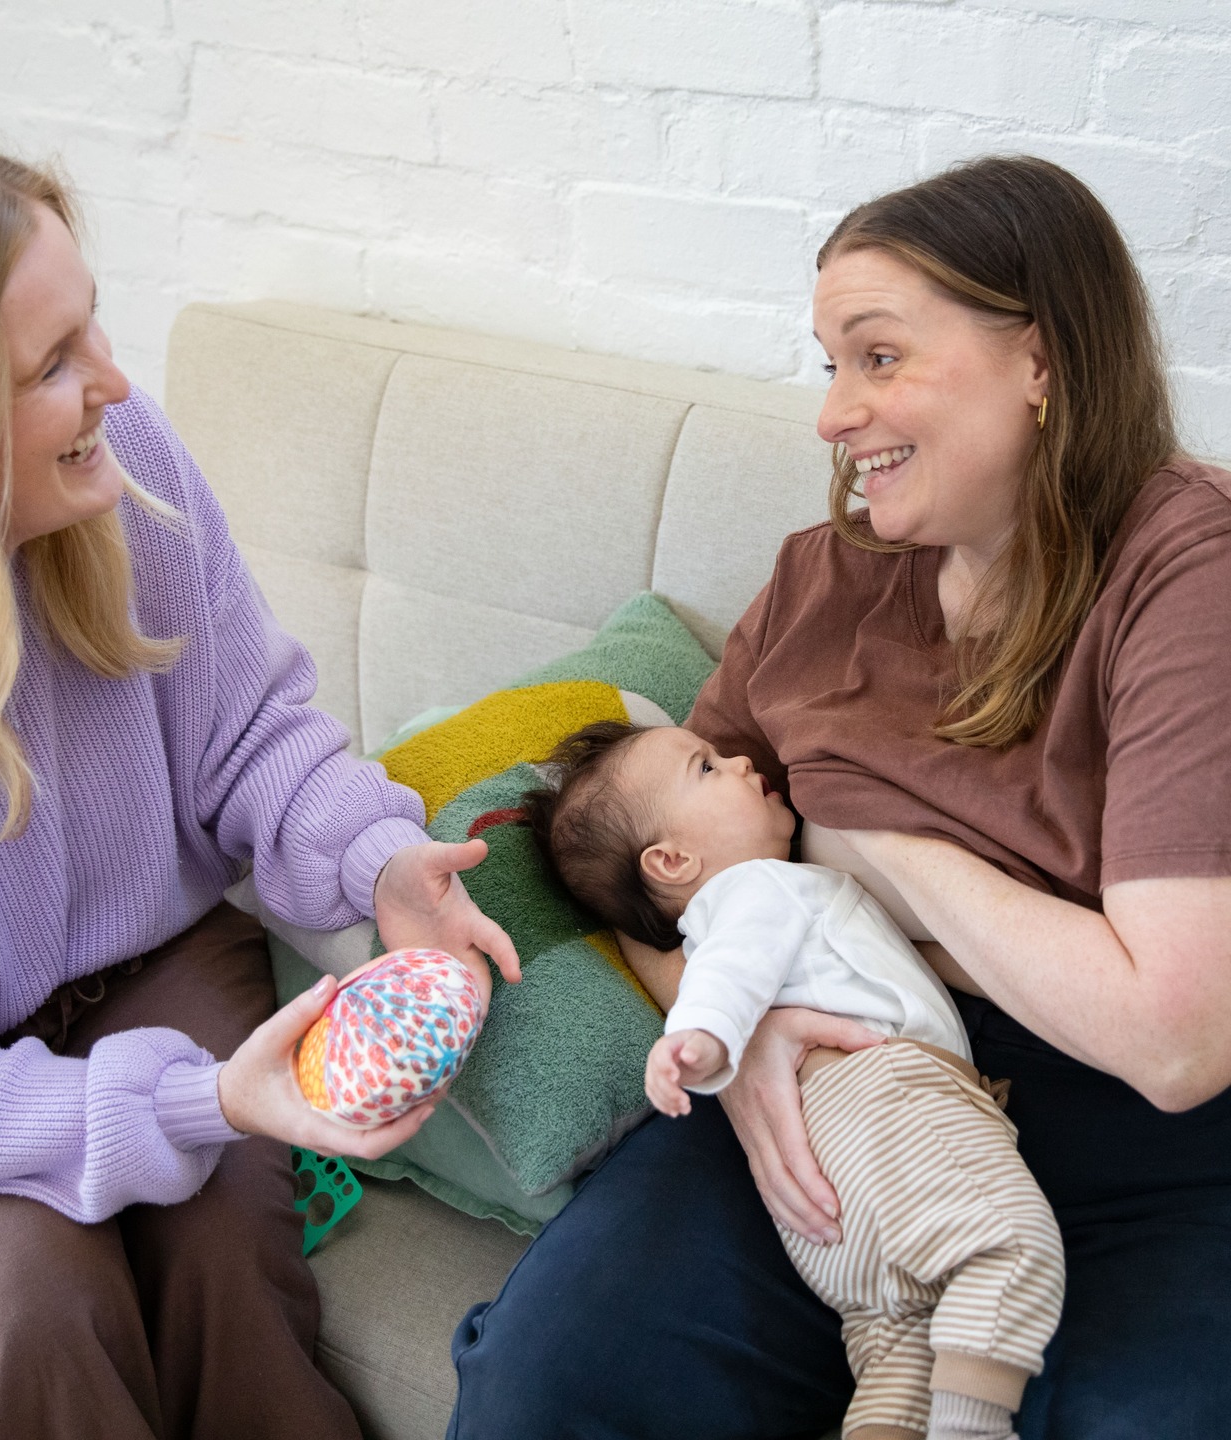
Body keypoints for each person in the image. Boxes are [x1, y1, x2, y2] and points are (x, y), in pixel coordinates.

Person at [448, 154, 1231, 1440]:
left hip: (1129, 1145)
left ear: (1042, 362)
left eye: (878, 357)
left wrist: (881, 842)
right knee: (558, 1379)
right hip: (832, 1079)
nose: (831, 416)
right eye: (830, 366)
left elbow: (1178, 1040)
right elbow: (667, 876)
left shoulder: (1183, 573)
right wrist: (742, 1035)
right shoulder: (824, 579)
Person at [0, 131, 520, 1440]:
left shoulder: (124, 469)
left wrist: (377, 860)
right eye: (53, 364)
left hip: (153, 963)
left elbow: (249, 733)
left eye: (93, 327)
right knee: (28, 1300)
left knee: (227, 1227)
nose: (115, 384)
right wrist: (199, 1099)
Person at [525, 718, 1062, 1440]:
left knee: (896, 1346)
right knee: (1010, 1248)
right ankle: (973, 1428)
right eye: (708, 769)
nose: (743, 761)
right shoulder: (760, 889)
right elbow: (729, 974)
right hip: (886, 1105)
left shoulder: (750, 904)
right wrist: (702, 1037)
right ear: (673, 860)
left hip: (816, 1197)